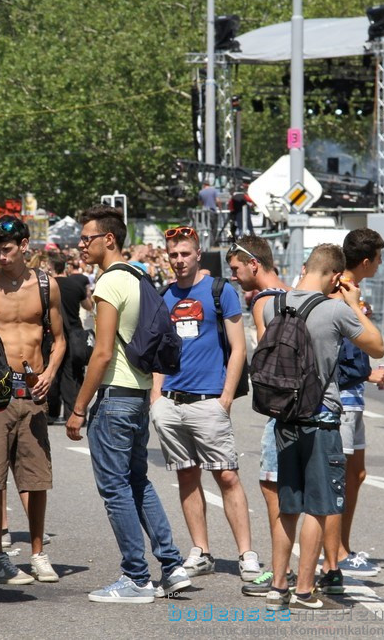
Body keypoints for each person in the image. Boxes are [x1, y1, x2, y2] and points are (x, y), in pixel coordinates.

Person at [66, 205, 190, 603]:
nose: (81, 244)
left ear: (109, 239)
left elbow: (101, 354)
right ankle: (171, 567)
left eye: (87, 238)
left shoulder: (108, 284)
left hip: (115, 396)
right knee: (138, 482)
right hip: (137, 394)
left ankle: (136, 577)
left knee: (115, 488)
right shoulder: (139, 276)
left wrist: (79, 407)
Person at [262, 244, 384, 612]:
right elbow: (376, 347)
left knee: (288, 506)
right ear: (335, 276)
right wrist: (354, 304)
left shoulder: (274, 305)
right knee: (318, 506)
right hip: (322, 418)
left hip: (284, 418)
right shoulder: (334, 311)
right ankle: (303, 589)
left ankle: (277, 586)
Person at [152, 226, 261, 584]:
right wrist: (156, 399)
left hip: (209, 401)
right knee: (186, 475)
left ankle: (246, 554)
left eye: (185, 253)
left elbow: (239, 347)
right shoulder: (164, 295)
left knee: (227, 476)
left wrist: (225, 398)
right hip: (172, 401)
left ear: (198, 254)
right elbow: (158, 353)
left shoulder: (220, 291)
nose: (179, 260)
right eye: (173, 255)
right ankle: (201, 550)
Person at [0, 216, 66, 586]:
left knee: (35, 478)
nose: (1, 256)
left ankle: (38, 552)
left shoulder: (46, 285)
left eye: (7, 249)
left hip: (33, 391)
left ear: (24, 245)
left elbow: (60, 339)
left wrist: (52, 372)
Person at [319, 229, 384, 590]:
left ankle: (340, 547)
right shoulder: (342, 293)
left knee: (355, 475)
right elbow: (340, 350)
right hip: (342, 397)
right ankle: (337, 553)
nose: (380, 264)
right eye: (378, 257)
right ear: (366, 261)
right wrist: (367, 369)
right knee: (338, 478)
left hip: (353, 395)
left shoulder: (352, 293)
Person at [225, 235, 292, 597]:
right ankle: (322, 569)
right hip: (311, 405)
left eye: (236, 268)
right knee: (306, 492)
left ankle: (280, 574)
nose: (234, 276)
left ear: (254, 263)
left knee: (272, 490)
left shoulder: (263, 302)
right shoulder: (297, 293)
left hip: (281, 410)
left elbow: (267, 362)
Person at [47, 254, 92, 426]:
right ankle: (71, 412)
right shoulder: (75, 285)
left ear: (51, 267)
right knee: (73, 374)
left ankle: (51, 413)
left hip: (53, 334)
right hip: (74, 333)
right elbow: (88, 306)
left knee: (52, 372)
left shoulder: (48, 286)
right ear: (65, 267)